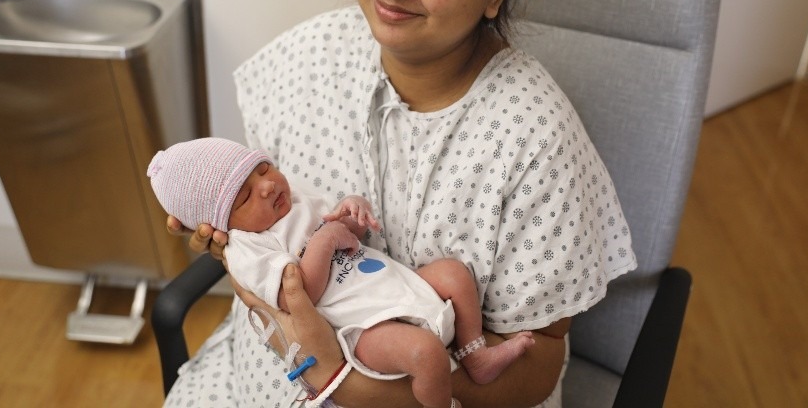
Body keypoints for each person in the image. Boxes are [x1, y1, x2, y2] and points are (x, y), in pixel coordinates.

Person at [165, 0, 637, 408]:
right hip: (257, 381)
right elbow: (261, 222)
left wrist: (348, 384)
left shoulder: (533, 139)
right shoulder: (306, 58)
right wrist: (228, 236)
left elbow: (538, 362)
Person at [149, 137, 535, 408]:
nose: (267, 187)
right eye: (245, 196)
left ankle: (475, 354)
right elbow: (295, 298)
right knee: (426, 354)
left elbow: (347, 236)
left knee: (453, 274)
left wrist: (351, 213)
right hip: (362, 327)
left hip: (394, 283)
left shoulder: (293, 199)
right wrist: (326, 240)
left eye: (263, 169)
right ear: (222, 225)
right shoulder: (248, 248)